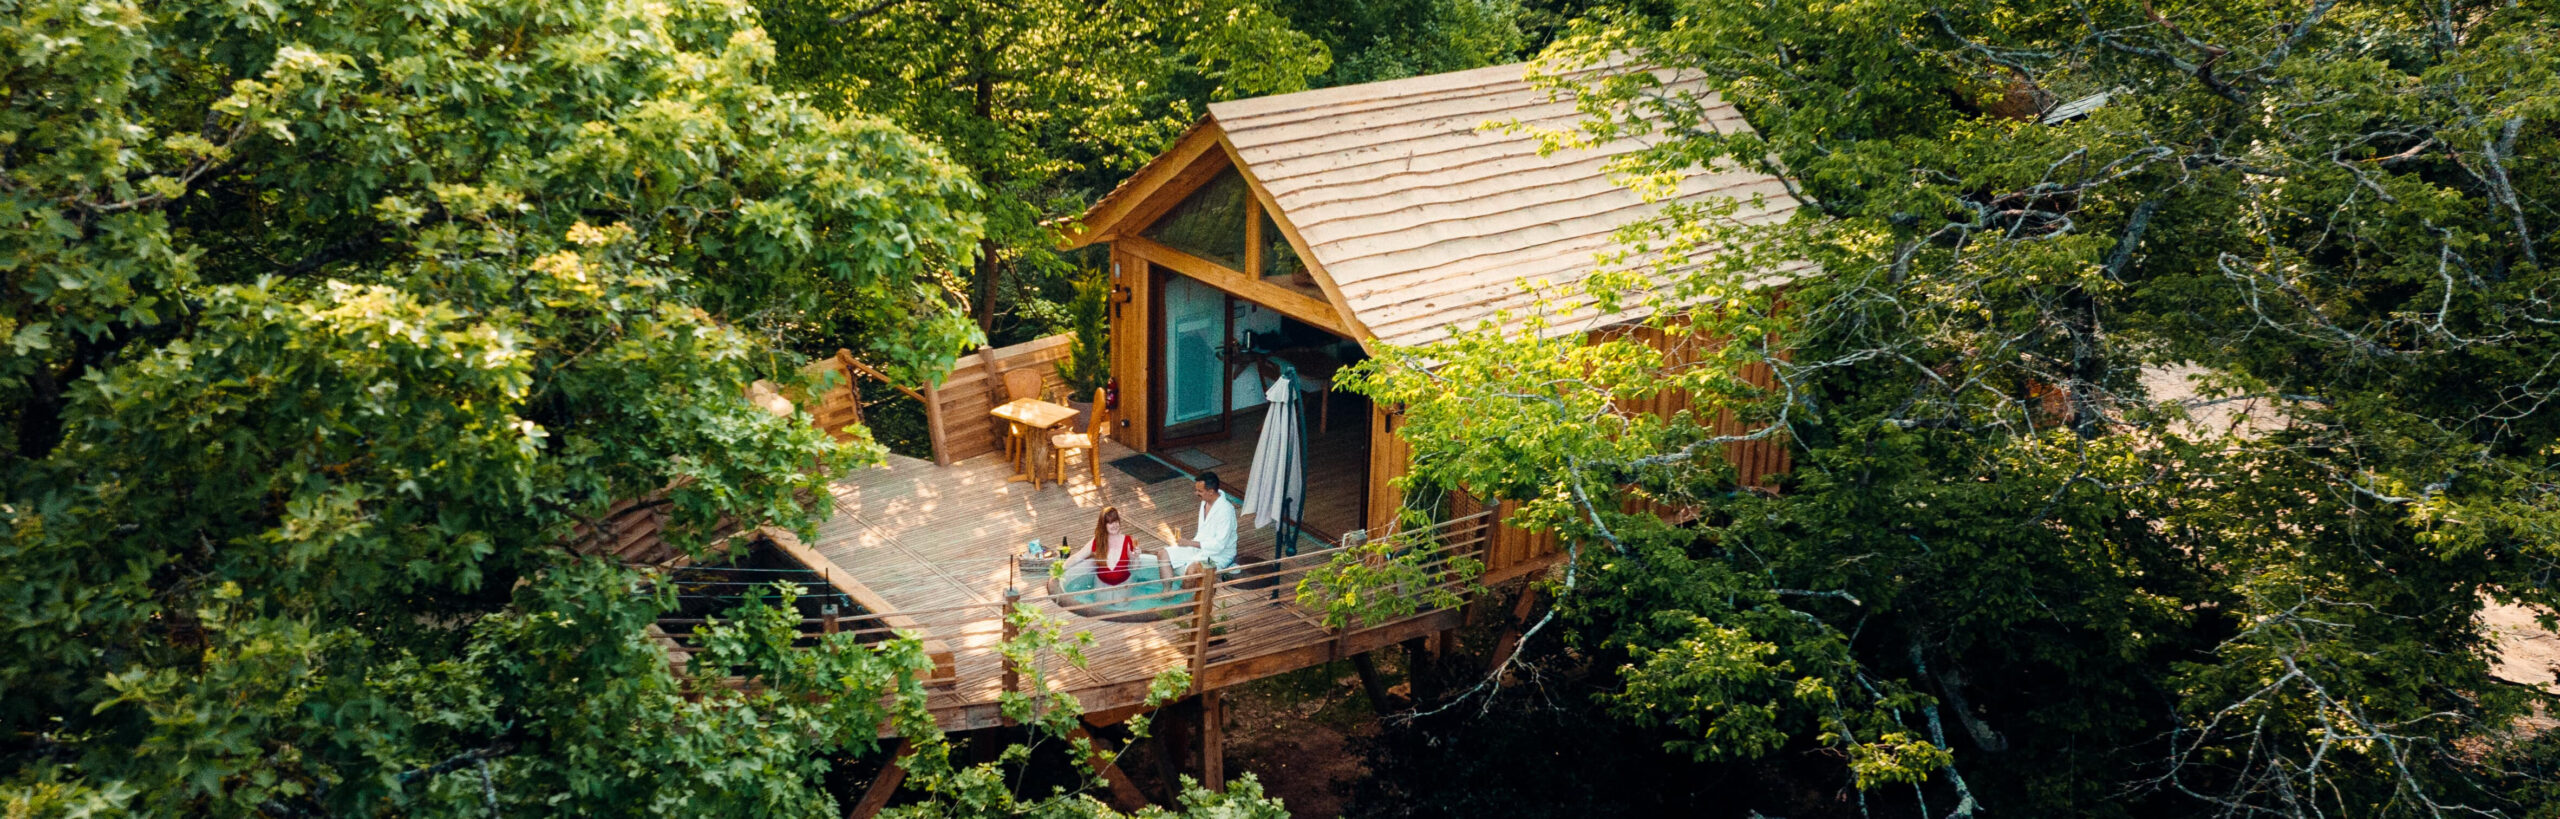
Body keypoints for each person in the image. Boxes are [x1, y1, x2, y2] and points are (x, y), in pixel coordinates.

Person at [1163, 471, 1237, 574]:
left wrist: (1190, 543)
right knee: (1163, 554)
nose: (1196, 493)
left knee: (1192, 570)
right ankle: (1168, 590)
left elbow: (1219, 546)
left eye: (1199, 491)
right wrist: (1190, 544)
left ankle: (1184, 589)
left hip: (1218, 555)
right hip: (1199, 548)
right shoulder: (1204, 502)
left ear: (1211, 492)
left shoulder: (1226, 511)